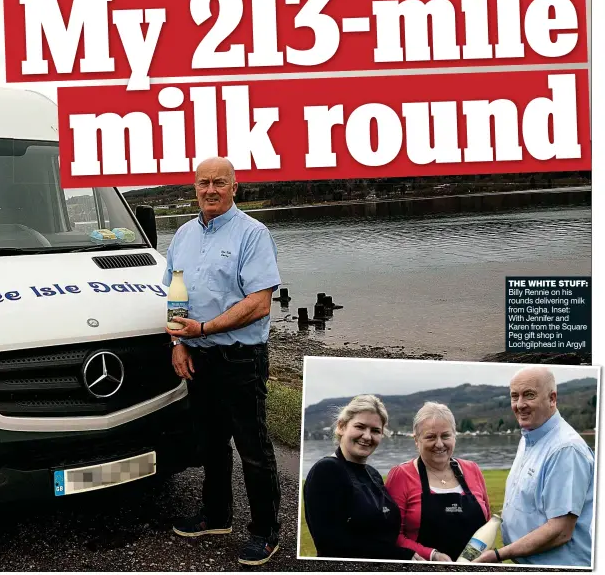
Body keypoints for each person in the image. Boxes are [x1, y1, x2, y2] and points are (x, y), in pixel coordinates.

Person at [163, 157, 282, 566]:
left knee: (253, 448)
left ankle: (266, 532)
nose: (210, 190)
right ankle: (216, 516)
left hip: (240, 358)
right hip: (198, 356)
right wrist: (178, 343)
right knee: (210, 443)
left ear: (235, 187)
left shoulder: (253, 234)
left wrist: (204, 329)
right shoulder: (181, 235)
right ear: (194, 188)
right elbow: (174, 297)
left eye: (219, 182)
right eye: (202, 183)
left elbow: (259, 303)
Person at [473, 366, 594, 567]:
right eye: (514, 396)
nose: (520, 405)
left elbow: (560, 531)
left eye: (529, 395)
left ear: (552, 399)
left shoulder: (565, 449)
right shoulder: (530, 435)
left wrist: (498, 555)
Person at [304, 395, 420, 561]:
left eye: (375, 431)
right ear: (342, 427)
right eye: (360, 427)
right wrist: (400, 555)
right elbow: (331, 545)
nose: (367, 436)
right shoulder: (326, 470)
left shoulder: (373, 474)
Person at [385, 402, 490, 562]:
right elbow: (391, 534)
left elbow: (487, 525)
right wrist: (432, 555)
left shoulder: (472, 469)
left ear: (455, 436)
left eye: (446, 436)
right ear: (416, 440)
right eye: (430, 437)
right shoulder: (401, 475)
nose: (439, 444)